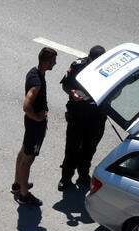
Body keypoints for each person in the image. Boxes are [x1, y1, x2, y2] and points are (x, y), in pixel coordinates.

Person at [58, 45, 107, 191]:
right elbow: (65, 85)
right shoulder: (78, 65)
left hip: (97, 117)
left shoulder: (109, 69)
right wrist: (72, 93)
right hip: (77, 114)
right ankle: (66, 177)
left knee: (89, 148)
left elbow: (116, 90)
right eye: (93, 61)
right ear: (88, 57)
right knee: (72, 148)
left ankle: (83, 175)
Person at [13, 47, 58, 206]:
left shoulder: (33, 72)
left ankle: (17, 184)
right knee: (28, 159)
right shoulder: (37, 82)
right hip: (35, 125)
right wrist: (38, 118)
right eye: (53, 60)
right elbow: (26, 105)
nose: (55, 63)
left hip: (30, 123)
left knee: (24, 150)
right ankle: (24, 195)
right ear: (46, 62)